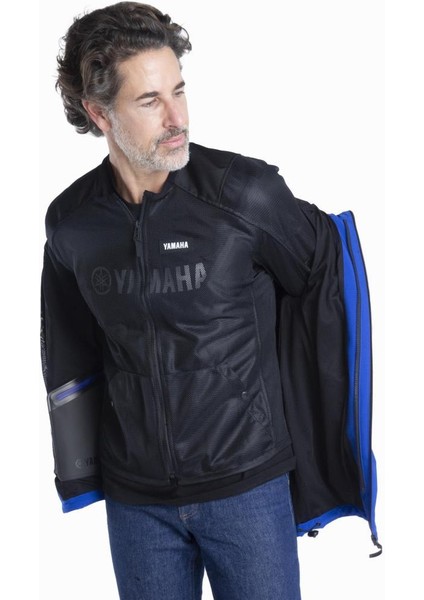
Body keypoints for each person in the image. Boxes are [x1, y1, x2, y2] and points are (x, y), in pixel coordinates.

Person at [40, 3, 380, 599]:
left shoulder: (245, 196)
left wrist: (295, 418)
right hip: (136, 501)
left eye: (179, 91)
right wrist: (79, 470)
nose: (177, 118)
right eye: (150, 101)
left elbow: (320, 274)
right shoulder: (72, 223)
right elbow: (71, 348)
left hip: (248, 489)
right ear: (99, 113)